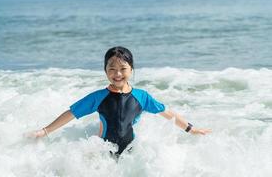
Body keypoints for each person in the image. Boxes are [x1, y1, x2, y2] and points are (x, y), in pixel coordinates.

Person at [30, 46, 211, 156]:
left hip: (131, 154)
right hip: (103, 152)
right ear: (105, 71)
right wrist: (44, 131)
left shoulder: (142, 96)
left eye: (123, 68)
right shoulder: (98, 97)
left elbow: (167, 113)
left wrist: (191, 129)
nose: (117, 74)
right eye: (112, 69)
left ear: (131, 69)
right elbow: (71, 113)